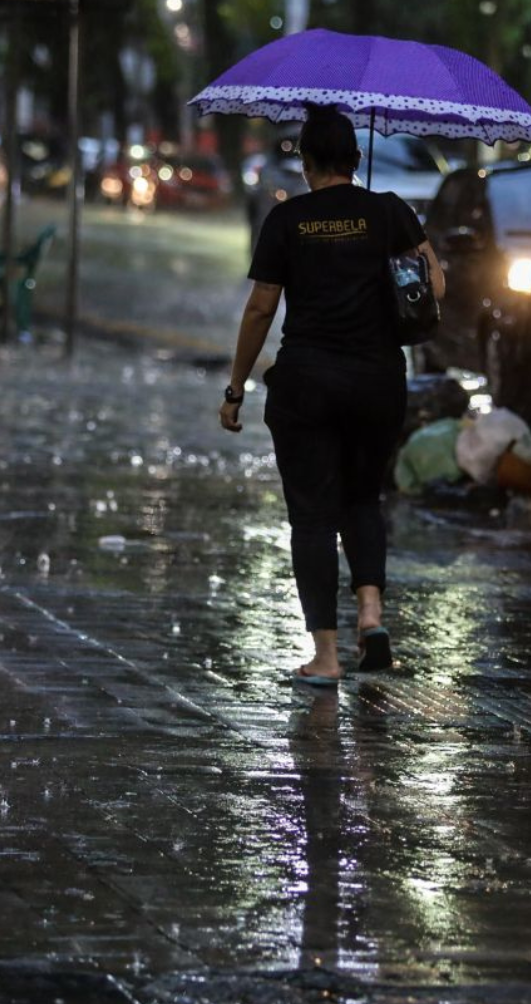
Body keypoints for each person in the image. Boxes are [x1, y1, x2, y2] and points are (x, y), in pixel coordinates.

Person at [219, 105, 445, 686]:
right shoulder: (389, 210)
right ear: (357, 158)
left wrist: (236, 386)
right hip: (378, 383)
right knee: (363, 499)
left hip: (308, 385)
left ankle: (325, 655)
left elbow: (262, 307)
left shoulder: (287, 220)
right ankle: (371, 616)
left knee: (313, 518)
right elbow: (435, 286)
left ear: (306, 160)